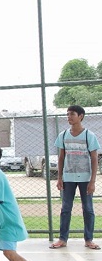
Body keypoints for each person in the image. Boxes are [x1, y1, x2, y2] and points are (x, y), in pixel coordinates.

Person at [50, 105, 100, 250]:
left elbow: (94, 159)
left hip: (85, 179)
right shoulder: (63, 135)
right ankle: (62, 239)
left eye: (72, 114)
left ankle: (89, 239)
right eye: (67, 114)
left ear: (81, 116)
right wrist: (59, 177)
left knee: (88, 209)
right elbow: (61, 157)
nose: (69, 117)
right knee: (66, 208)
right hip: (68, 178)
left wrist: (92, 181)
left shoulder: (89, 136)